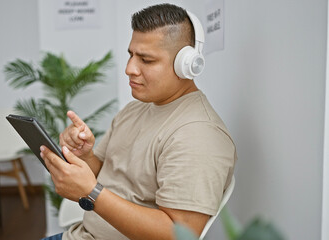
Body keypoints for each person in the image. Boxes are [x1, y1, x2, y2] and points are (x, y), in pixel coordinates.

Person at [40, 3, 237, 240]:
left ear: (186, 65)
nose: (129, 69)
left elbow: (178, 235)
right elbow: (108, 177)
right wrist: (85, 156)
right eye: (131, 55)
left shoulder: (198, 135)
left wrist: (91, 193)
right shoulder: (135, 109)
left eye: (146, 60)